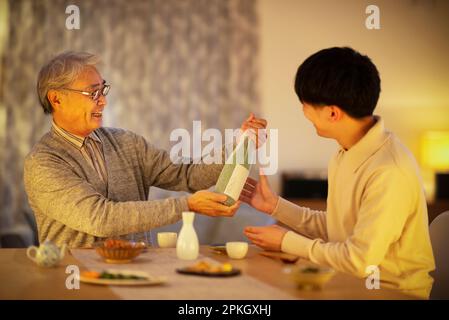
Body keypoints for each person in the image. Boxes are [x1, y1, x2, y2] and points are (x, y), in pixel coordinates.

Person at [241, 47, 435, 299]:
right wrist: (275, 206)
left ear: (333, 113)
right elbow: (337, 228)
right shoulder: (345, 153)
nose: (303, 111)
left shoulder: (389, 171)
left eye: (306, 103)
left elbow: (358, 260)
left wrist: (286, 241)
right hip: (350, 284)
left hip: (391, 293)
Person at [24, 51, 267, 248]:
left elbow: (187, 174)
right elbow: (99, 218)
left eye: (103, 89)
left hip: (139, 276)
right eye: (92, 92)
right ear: (56, 99)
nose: (103, 100)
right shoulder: (43, 162)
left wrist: (240, 145)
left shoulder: (127, 143)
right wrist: (187, 205)